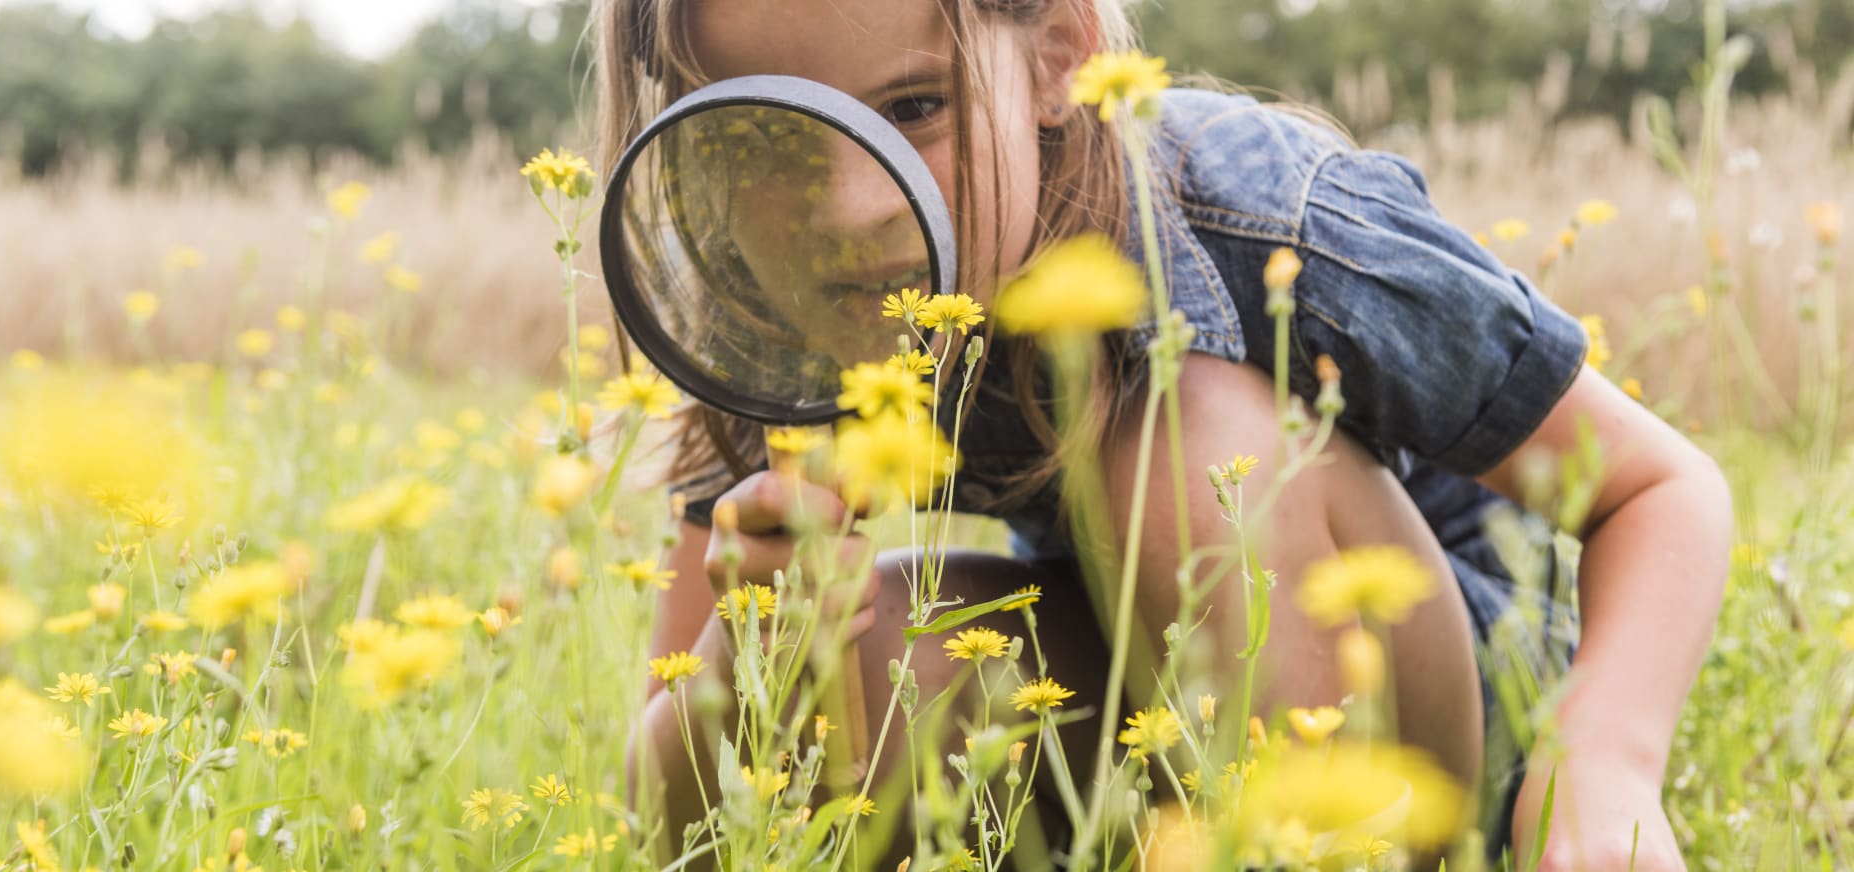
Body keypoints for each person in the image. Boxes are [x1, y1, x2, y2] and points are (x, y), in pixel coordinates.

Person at [593, 0, 1733, 868]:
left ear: (1056, 56)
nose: (849, 208)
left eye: (912, 110)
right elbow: (670, 800)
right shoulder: (762, 315)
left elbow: (1659, 485)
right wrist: (768, 646)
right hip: (1152, 685)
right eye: (775, 144)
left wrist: (1602, 755)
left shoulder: (1255, 212)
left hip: (1440, 706)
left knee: (1188, 437)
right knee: (860, 644)